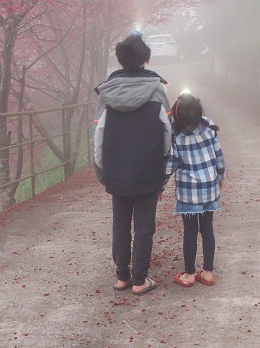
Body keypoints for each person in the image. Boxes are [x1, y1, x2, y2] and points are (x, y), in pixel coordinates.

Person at [93, 31, 172, 296]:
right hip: (148, 168)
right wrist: (164, 171)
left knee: (120, 221)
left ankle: (122, 276)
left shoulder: (107, 91)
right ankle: (140, 279)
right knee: (145, 225)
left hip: (116, 169)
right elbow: (166, 134)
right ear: (145, 59)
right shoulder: (157, 89)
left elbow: (99, 136)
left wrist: (101, 170)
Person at [164, 91, 225, 287]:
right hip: (209, 187)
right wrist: (220, 177)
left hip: (188, 191)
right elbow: (218, 155)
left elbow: (171, 164)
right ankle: (207, 272)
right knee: (207, 228)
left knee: (190, 231)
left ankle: (189, 274)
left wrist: (161, 184)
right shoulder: (209, 127)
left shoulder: (175, 134)